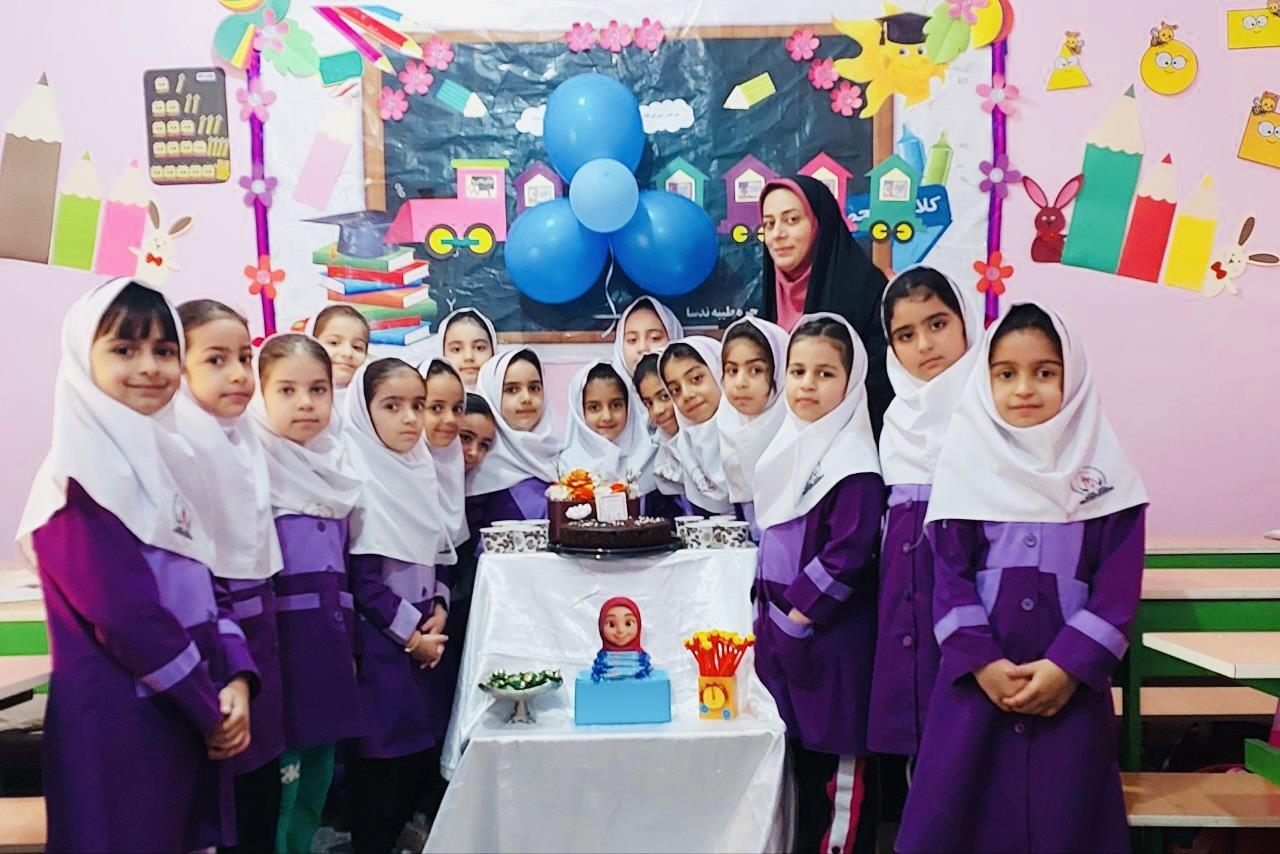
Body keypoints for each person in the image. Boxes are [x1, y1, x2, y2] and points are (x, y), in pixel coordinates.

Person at [896, 303, 1148, 854]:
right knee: (961, 820)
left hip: (1071, 701)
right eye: (1006, 373)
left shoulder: (1110, 482)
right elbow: (949, 579)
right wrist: (983, 663)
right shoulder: (964, 470)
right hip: (975, 694)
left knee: (1067, 823)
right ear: (984, 383)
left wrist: (1067, 668)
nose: (1025, 389)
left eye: (1045, 372)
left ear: (1071, 379)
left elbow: (1116, 592)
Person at [18, 279, 253, 851]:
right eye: (124, 349)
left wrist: (238, 680)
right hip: (124, 731)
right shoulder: (72, 486)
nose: (149, 367)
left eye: (164, 350)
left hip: (191, 712)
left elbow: (211, 584)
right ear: (83, 358)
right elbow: (127, 620)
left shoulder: (176, 461)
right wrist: (209, 705)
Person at [751, 313, 884, 854]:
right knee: (801, 773)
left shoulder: (854, 464)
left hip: (830, 646)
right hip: (789, 643)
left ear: (851, 383)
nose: (807, 384)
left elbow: (848, 553)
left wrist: (796, 616)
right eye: (798, 371)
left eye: (825, 374)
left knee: (838, 779)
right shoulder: (785, 448)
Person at [176, 298, 286, 853]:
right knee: (226, 797)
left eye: (246, 357)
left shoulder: (244, 439)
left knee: (263, 787)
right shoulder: (177, 444)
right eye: (216, 360)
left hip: (257, 628)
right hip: (209, 634)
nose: (240, 374)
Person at [249, 333, 365, 854]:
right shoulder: (252, 467)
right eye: (287, 390)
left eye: (318, 390)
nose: (305, 403)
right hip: (279, 654)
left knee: (318, 774)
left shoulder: (338, 468)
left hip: (329, 649)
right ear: (260, 394)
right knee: (281, 784)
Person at [341, 358, 450, 854]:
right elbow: (364, 583)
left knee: (417, 758)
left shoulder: (421, 469)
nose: (410, 419)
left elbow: (437, 551)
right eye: (392, 406)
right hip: (382, 647)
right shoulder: (358, 479)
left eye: (418, 405)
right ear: (364, 413)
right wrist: (413, 636)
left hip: (426, 640)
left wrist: (440, 607)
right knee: (380, 765)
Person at [758, 175, 893, 436]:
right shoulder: (768, 298)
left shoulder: (865, 290)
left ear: (820, 223)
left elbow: (880, 388)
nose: (778, 234)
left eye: (792, 220)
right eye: (769, 223)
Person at [718, 316, 789, 539]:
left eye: (756, 370)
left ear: (779, 371)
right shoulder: (726, 426)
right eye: (732, 370)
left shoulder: (794, 433)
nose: (740, 382)